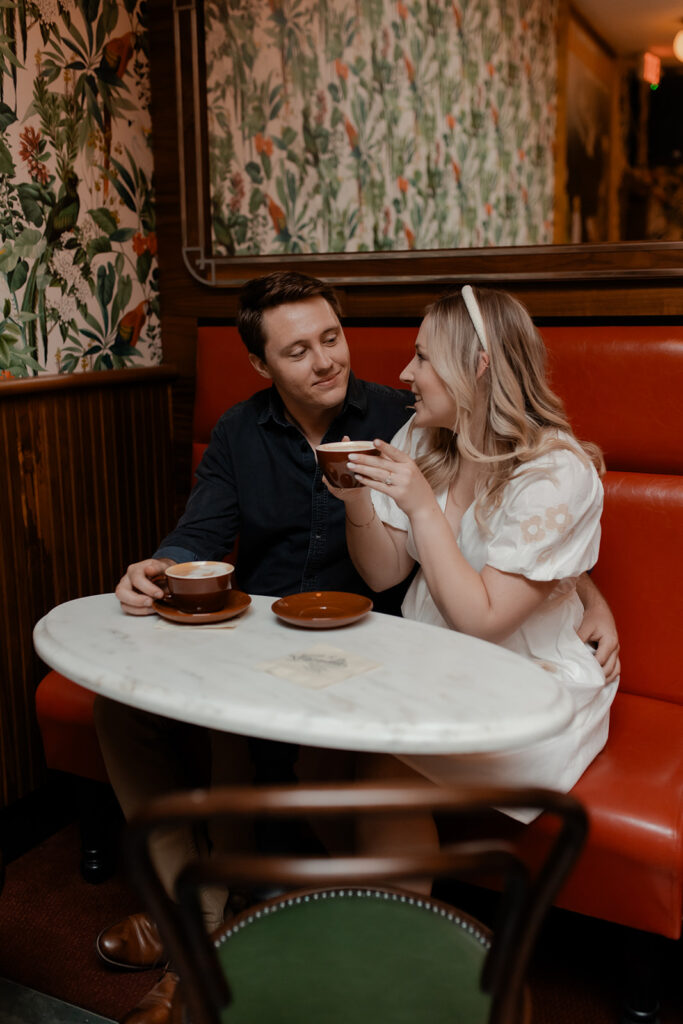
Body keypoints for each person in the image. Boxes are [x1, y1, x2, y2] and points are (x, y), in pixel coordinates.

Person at [94, 273, 619, 1024]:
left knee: (309, 753)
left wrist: (584, 587)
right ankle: (214, 921)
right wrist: (164, 563)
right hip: (304, 635)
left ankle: (304, 942)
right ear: (261, 366)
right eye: (298, 350)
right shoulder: (261, 433)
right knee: (130, 708)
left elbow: (528, 492)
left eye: (332, 338)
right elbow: (210, 534)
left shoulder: (401, 417)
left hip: (427, 656)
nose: (327, 361)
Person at [326, 284, 619, 812]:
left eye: (421, 357)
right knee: (338, 735)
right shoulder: (426, 434)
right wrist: (356, 501)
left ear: (478, 366)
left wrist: (420, 506)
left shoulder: (556, 474)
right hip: (431, 660)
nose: (405, 374)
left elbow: (485, 622)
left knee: (379, 768)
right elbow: (383, 573)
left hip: (525, 682)